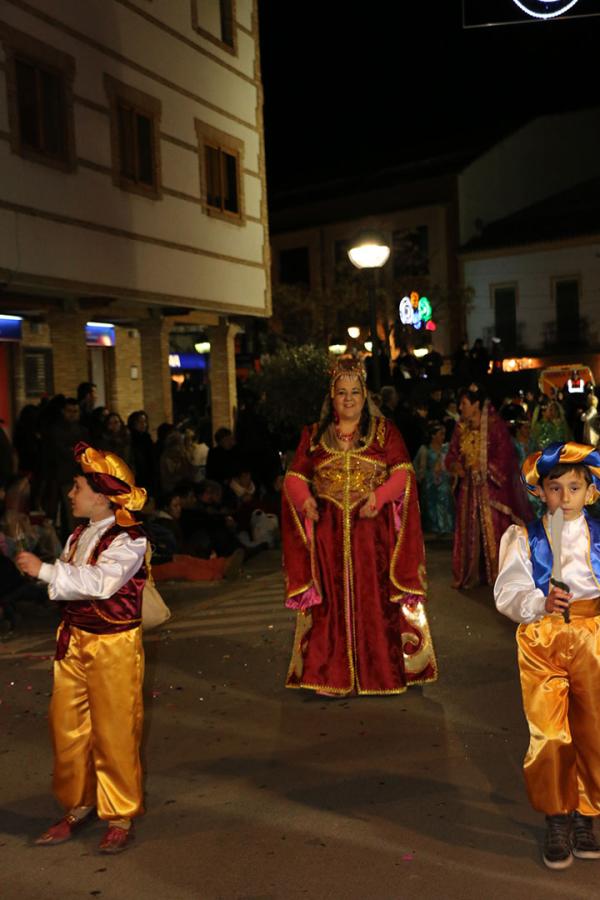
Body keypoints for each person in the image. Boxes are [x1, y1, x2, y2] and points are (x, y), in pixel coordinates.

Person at [17, 442, 148, 854]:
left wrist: (45, 571)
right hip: (74, 643)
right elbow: (73, 580)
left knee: (114, 731)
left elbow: (100, 583)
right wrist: (48, 572)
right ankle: (79, 803)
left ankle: (120, 814)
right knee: (68, 729)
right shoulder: (78, 533)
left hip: (113, 647)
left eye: (77, 487)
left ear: (101, 494)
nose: (71, 494)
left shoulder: (131, 539)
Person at [282, 357, 437, 696]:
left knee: (377, 600)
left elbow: (402, 473)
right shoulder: (313, 435)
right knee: (329, 604)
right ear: (332, 396)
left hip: (373, 533)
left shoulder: (385, 432)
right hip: (327, 534)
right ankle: (327, 676)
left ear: (364, 395)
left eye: (354, 392)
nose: (349, 399)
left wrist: (379, 497)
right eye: (341, 393)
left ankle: (382, 672)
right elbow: (294, 476)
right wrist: (304, 499)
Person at [494, 442, 600, 870]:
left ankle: (587, 815)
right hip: (542, 641)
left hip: (593, 637)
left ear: (591, 492)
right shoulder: (524, 537)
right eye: (555, 489)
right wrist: (538, 604)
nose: (564, 497)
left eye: (574, 488)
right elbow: (507, 591)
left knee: (593, 729)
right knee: (550, 733)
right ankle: (557, 815)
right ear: (540, 492)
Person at [445, 384, 532, 589]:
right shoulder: (460, 428)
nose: (460, 408)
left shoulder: (495, 426)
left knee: (494, 530)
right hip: (468, 490)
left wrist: (484, 468)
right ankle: (472, 574)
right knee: (471, 529)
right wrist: (455, 466)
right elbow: (452, 454)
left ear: (476, 405)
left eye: (464, 403)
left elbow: (505, 456)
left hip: (492, 490)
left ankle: (500, 574)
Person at [413, 423, 454, 537]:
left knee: (444, 496)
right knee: (431, 501)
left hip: (444, 480)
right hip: (430, 481)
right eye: (441, 434)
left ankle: (446, 527)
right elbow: (416, 467)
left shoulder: (446, 448)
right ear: (433, 435)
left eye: (444, 434)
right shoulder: (425, 449)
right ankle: (433, 528)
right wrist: (424, 476)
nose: (443, 437)